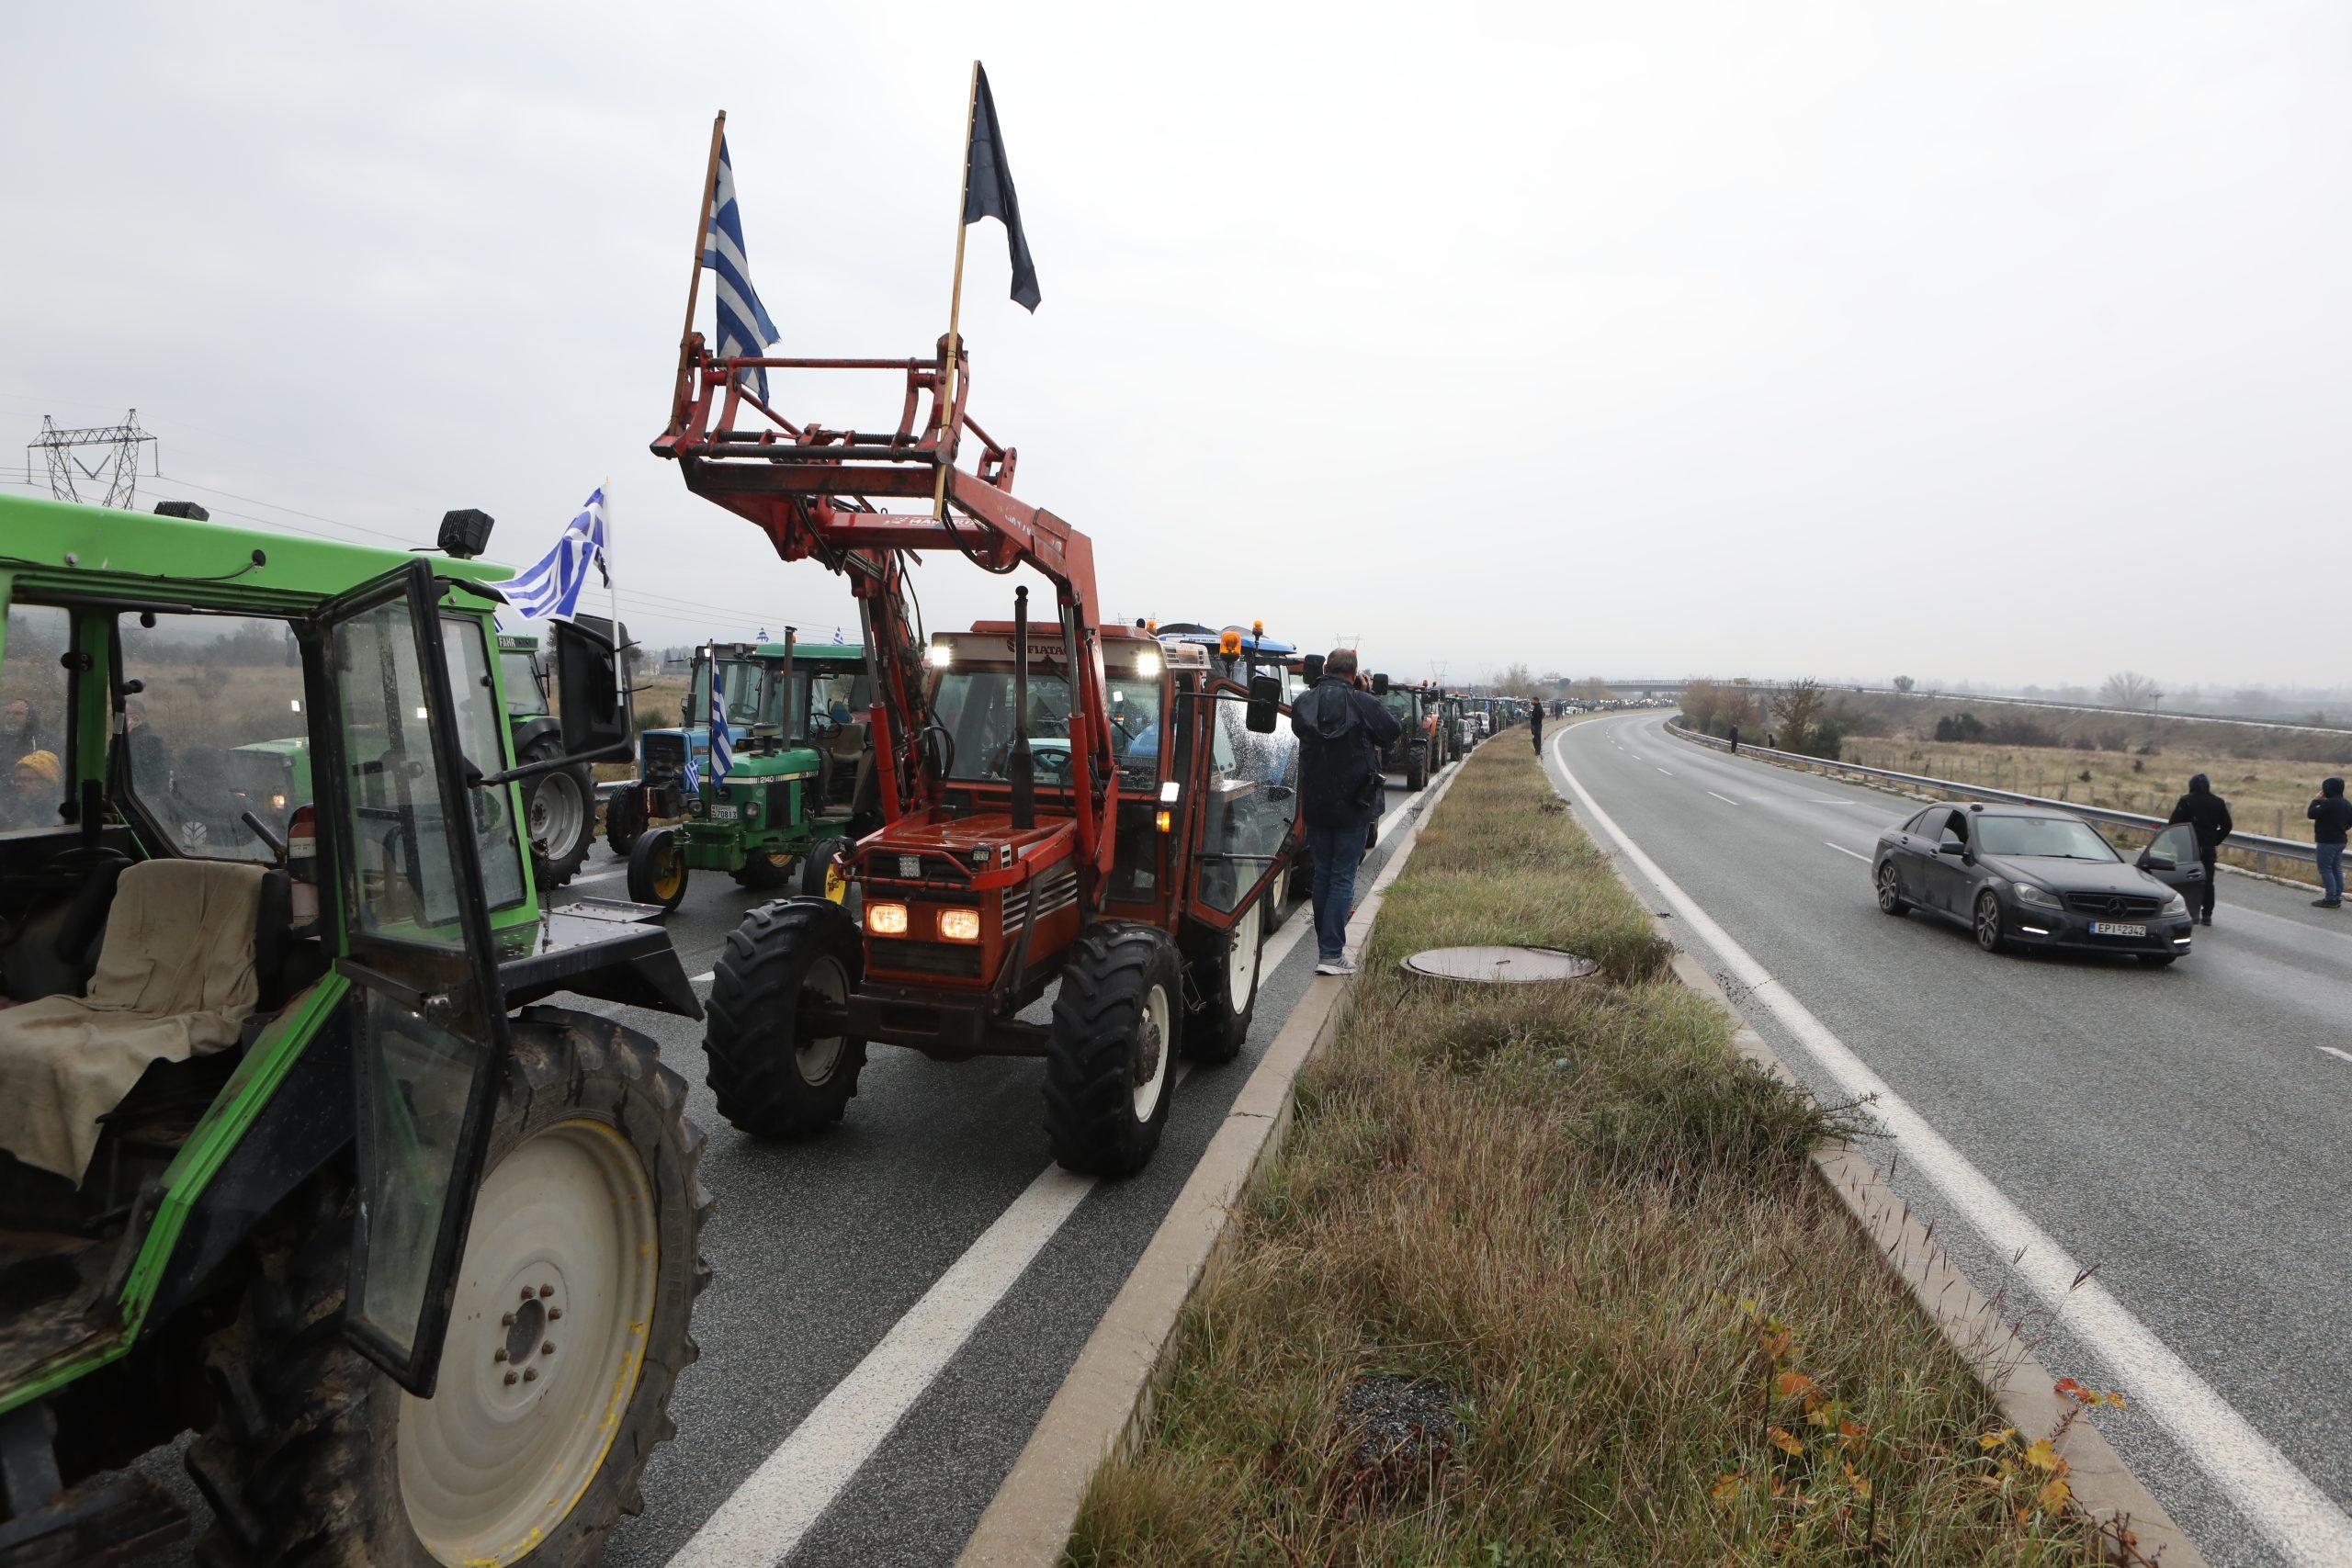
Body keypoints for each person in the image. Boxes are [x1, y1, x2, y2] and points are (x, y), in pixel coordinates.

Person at [1291, 649, 1400, 976]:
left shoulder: (1304, 703)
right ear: (1354, 674)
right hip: (1354, 803)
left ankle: (1327, 947)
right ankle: (1331, 953)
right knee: (1341, 877)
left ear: (1325, 668)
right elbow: (1391, 731)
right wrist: (1363, 694)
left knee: (1323, 874)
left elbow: (1300, 731)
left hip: (1316, 802)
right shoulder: (1362, 703)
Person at [2166, 773, 2233, 927]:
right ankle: (2207, 914)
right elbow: (2227, 825)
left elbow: (2174, 825)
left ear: (2191, 786)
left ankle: (2185, 911)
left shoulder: (2186, 801)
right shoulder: (2218, 802)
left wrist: (2177, 841)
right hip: (2208, 848)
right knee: (2208, 881)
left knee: (2185, 879)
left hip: (2187, 847)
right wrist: (2215, 840)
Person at [2309, 776, 2350, 909]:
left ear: (2328, 788)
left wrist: (2316, 800)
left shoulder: (2327, 803)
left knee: (2325, 869)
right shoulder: (2346, 803)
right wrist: (2341, 828)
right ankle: (2336, 897)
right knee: (2336, 868)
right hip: (2340, 840)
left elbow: (2311, 813)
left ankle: (2331, 899)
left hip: (2327, 841)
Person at [8, 750, 61, 829]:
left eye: (27, 779)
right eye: (17, 780)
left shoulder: (60, 816)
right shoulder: (14, 812)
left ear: (48, 783)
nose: (18, 784)